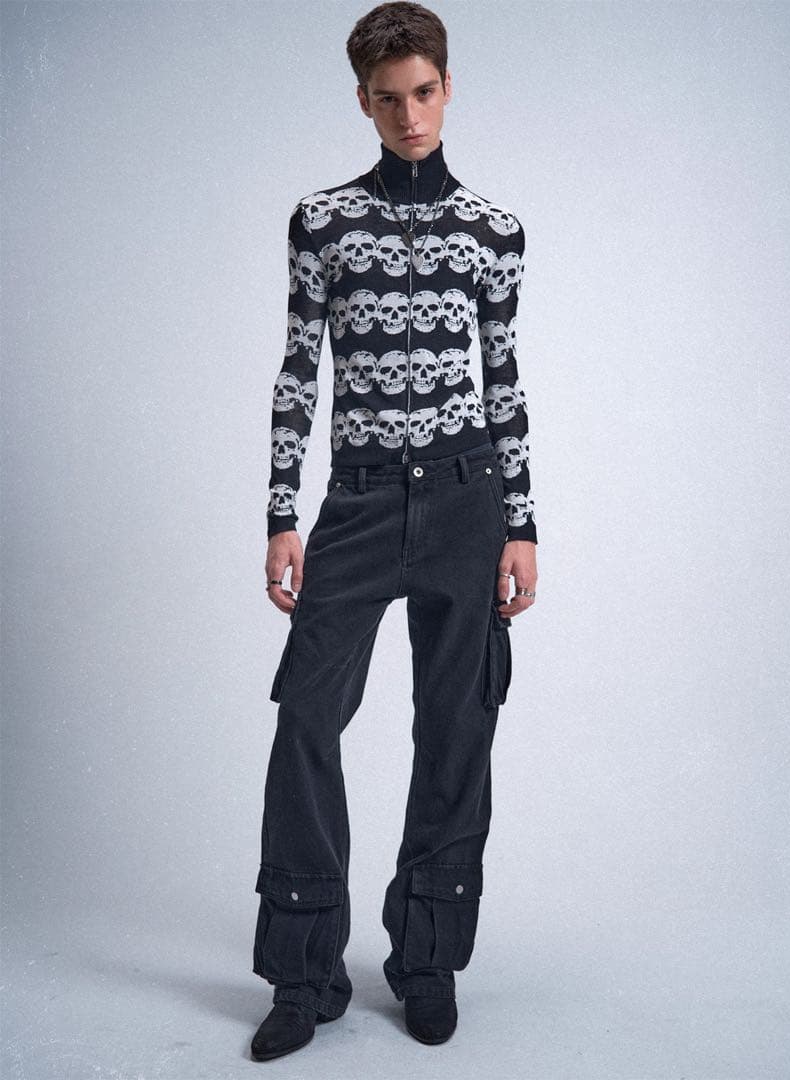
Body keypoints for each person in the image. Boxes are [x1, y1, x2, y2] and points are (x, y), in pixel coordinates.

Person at [250, 0, 538, 1061]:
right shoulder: (322, 222)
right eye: (387, 99)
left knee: (456, 729)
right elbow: (298, 369)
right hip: (361, 503)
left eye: (423, 93)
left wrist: (521, 524)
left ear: (447, 89)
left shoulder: (494, 232)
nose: (409, 117)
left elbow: (503, 382)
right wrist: (282, 512)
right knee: (306, 717)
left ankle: (426, 961)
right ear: (363, 102)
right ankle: (304, 972)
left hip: (467, 501)